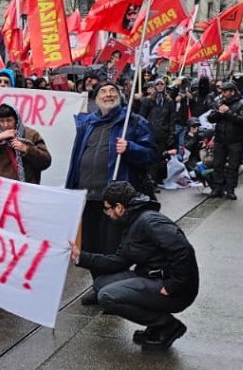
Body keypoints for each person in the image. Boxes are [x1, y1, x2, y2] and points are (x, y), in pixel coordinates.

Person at [68, 181, 199, 350]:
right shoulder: (133, 221)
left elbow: (184, 251)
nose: (106, 213)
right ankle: (155, 325)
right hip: (152, 277)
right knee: (101, 284)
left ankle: (167, 325)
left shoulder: (149, 221)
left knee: (107, 296)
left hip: (175, 289)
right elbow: (118, 262)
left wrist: (173, 285)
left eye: (107, 208)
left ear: (119, 207)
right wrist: (81, 257)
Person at [66, 81, 158, 304]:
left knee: (112, 249)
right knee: (91, 246)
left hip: (114, 200)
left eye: (112, 91)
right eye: (103, 92)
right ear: (96, 99)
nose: (108, 95)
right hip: (87, 197)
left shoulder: (132, 122)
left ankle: (113, 291)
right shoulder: (88, 123)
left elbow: (151, 154)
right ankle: (99, 286)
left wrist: (130, 149)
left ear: (120, 96)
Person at [0, 103, 51, 184]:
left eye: (9, 120)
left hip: (23, 188)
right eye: (2, 121)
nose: (6, 125)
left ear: (16, 120)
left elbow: (46, 161)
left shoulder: (31, 135)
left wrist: (27, 149)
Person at [207, 81, 243, 199]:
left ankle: (230, 189)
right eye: (222, 91)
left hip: (235, 140)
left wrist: (228, 112)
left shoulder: (242, 104)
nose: (223, 94)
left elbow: (242, 120)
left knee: (233, 166)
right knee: (217, 164)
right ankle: (217, 188)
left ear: (232, 92)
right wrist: (219, 113)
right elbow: (210, 118)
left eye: (225, 91)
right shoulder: (219, 102)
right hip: (220, 139)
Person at [139, 78, 176, 185]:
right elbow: (142, 117)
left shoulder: (169, 101)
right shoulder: (147, 100)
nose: (160, 86)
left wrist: (172, 133)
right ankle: (150, 180)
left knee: (160, 157)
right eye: (158, 84)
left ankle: (157, 179)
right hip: (150, 133)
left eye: (162, 84)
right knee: (150, 156)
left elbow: (172, 118)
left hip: (163, 133)